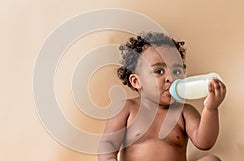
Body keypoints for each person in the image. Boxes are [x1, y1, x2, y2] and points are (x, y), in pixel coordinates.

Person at [97, 32, 226, 161]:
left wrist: (211, 108)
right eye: (159, 71)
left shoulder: (184, 112)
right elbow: (108, 143)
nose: (170, 78)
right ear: (136, 82)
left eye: (176, 71)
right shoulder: (127, 108)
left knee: (211, 160)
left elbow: (205, 143)